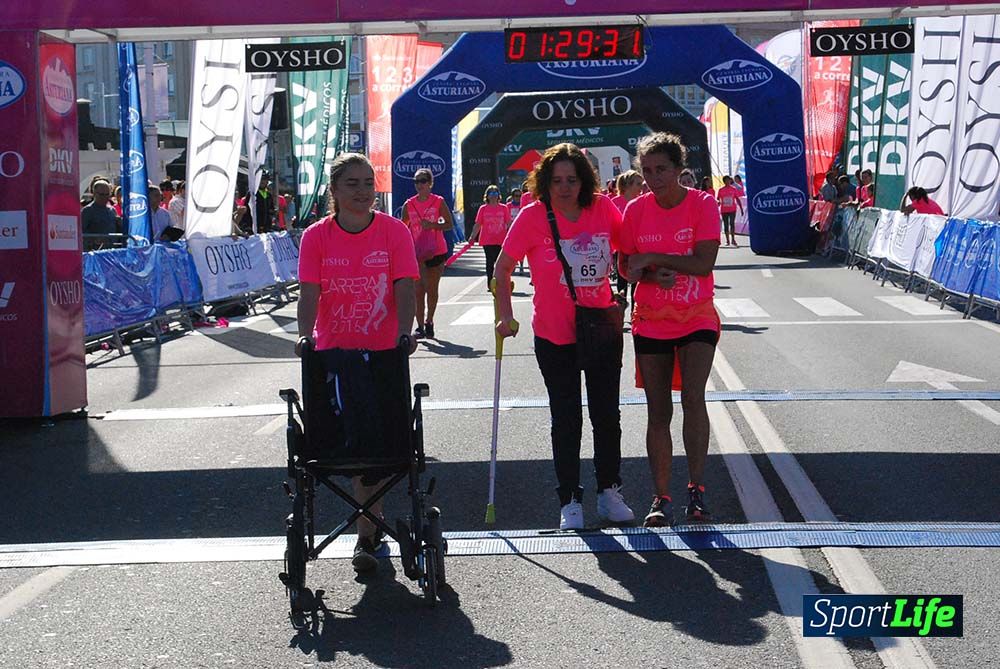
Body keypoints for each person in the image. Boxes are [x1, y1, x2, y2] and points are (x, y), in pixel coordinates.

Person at [493, 142, 635, 530]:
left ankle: (610, 492)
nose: (565, 188)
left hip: (600, 327)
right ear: (545, 182)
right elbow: (502, 269)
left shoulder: (602, 208)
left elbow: (627, 254)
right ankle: (570, 499)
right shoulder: (532, 216)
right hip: (555, 333)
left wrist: (646, 273)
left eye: (572, 179)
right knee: (566, 417)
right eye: (557, 181)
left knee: (606, 414)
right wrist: (505, 315)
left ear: (584, 180)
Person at [295, 152, 419, 572]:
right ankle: (368, 532)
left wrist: (406, 331)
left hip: (384, 353)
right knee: (351, 445)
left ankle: (369, 530)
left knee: (382, 446)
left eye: (368, 183)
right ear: (333, 189)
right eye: (352, 183)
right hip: (336, 355)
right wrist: (305, 336)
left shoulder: (394, 231)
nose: (362, 191)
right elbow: (309, 292)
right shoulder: (316, 237)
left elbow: (405, 286)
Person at [618, 132, 721, 528]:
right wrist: (647, 273)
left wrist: (655, 257)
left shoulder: (702, 204)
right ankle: (661, 497)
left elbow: (703, 263)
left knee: (693, 398)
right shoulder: (635, 211)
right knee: (658, 410)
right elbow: (626, 266)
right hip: (651, 318)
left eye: (661, 169)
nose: (654, 178)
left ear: (679, 169)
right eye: (647, 170)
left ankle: (697, 490)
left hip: (696, 314)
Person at [401, 168, 455, 339]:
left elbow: (449, 224)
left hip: (436, 251)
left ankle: (429, 321)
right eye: (416, 181)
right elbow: (402, 228)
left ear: (430, 183)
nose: (419, 185)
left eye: (423, 181)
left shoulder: (438, 201)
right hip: (416, 252)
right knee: (418, 290)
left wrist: (432, 225)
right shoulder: (409, 204)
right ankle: (419, 327)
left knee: (431, 289)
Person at [469, 184, 512, 288]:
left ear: (498, 195)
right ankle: (490, 283)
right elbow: (478, 224)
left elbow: (509, 223)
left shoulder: (504, 208)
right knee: (489, 261)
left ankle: (501, 282)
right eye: (491, 193)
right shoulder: (483, 208)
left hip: (501, 239)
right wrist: (472, 236)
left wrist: (512, 236)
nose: (493, 196)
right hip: (487, 240)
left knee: (500, 262)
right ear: (487, 196)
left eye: (495, 193)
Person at [717, 175, 744, 247]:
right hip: (724, 210)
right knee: (726, 225)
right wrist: (718, 203)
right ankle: (727, 240)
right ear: (724, 181)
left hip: (732, 209)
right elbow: (718, 199)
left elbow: (737, 199)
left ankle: (733, 239)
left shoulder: (733, 189)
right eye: (726, 180)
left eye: (729, 180)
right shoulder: (721, 190)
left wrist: (741, 208)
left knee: (732, 224)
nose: (728, 181)